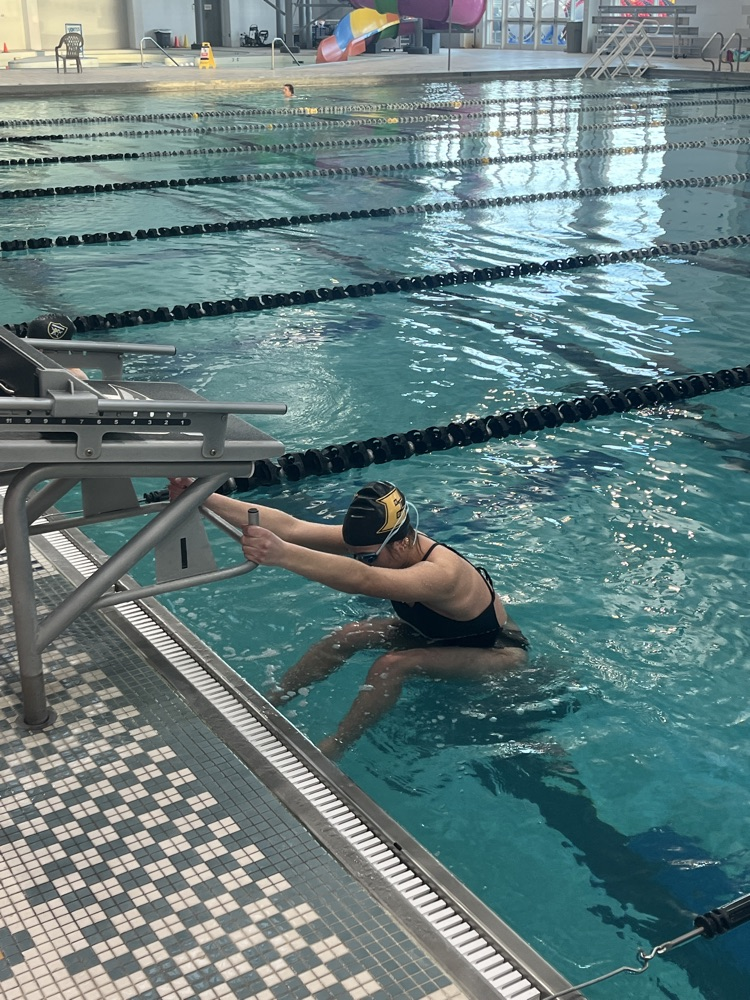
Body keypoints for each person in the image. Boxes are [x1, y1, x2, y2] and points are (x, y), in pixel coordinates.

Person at [168, 478, 529, 758]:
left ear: (401, 543)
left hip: (495, 652)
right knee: (348, 635)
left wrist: (282, 556)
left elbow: (365, 580)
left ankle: (334, 747)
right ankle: (270, 702)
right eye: (358, 555)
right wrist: (201, 497)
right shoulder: (385, 545)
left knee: (392, 666)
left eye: (368, 556)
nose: (361, 560)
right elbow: (291, 528)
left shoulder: (442, 573)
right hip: (433, 634)